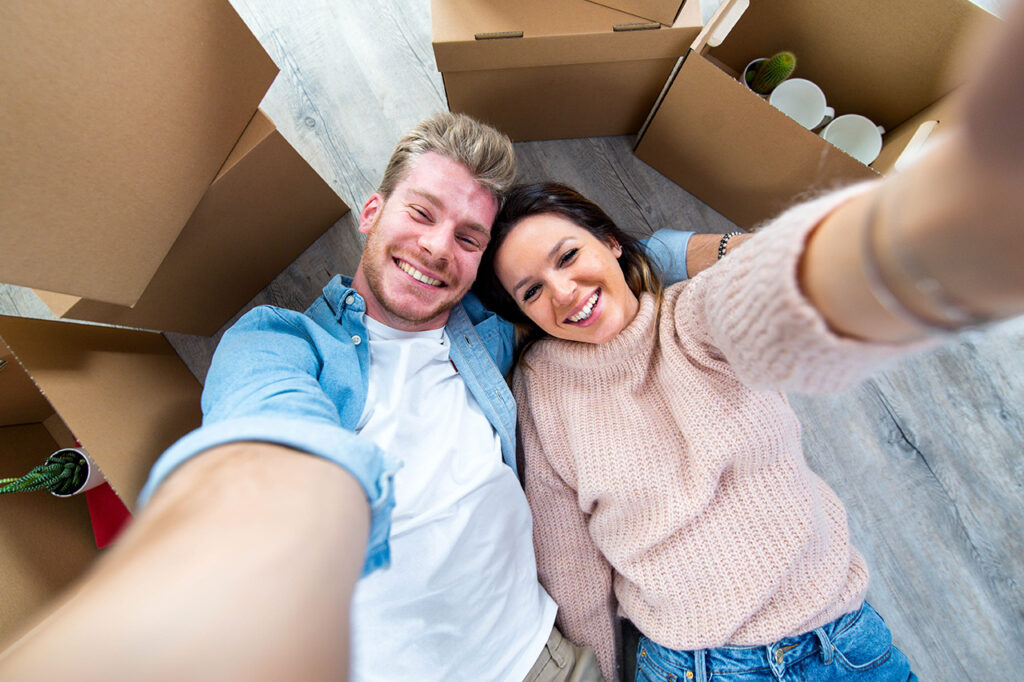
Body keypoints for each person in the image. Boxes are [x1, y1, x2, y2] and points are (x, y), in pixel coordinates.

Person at [0, 111, 717, 681]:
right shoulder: (281, 343)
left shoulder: (486, 330)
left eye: (469, 237)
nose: (440, 247)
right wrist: (287, 520)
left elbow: (617, 253)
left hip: (549, 661)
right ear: (373, 211)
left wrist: (734, 250)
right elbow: (270, 433)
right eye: (422, 213)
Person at [469, 4, 1024, 680]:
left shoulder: (689, 317)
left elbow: (782, 296)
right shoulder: (541, 386)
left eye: (567, 256)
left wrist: (910, 233)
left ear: (612, 243)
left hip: (841, 639)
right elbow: (568, 558)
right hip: (692, 665)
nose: (560, 292)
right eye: (530, 291)